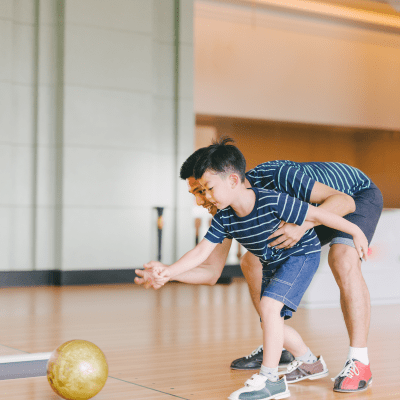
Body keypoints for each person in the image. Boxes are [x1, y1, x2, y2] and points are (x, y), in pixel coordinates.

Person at [136, 139, 383, 393]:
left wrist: (301, 226)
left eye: (203, 189)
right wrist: (167, 274)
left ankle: (359, 360)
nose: (201, 200)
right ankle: (277, 341)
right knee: (249, 261)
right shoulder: (226, 210)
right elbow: (211, 271)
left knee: (342, 258)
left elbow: (344, 202)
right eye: (197, 193)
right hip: (306, 217)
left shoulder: (276, 178)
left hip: (353, 195)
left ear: (230, 179)